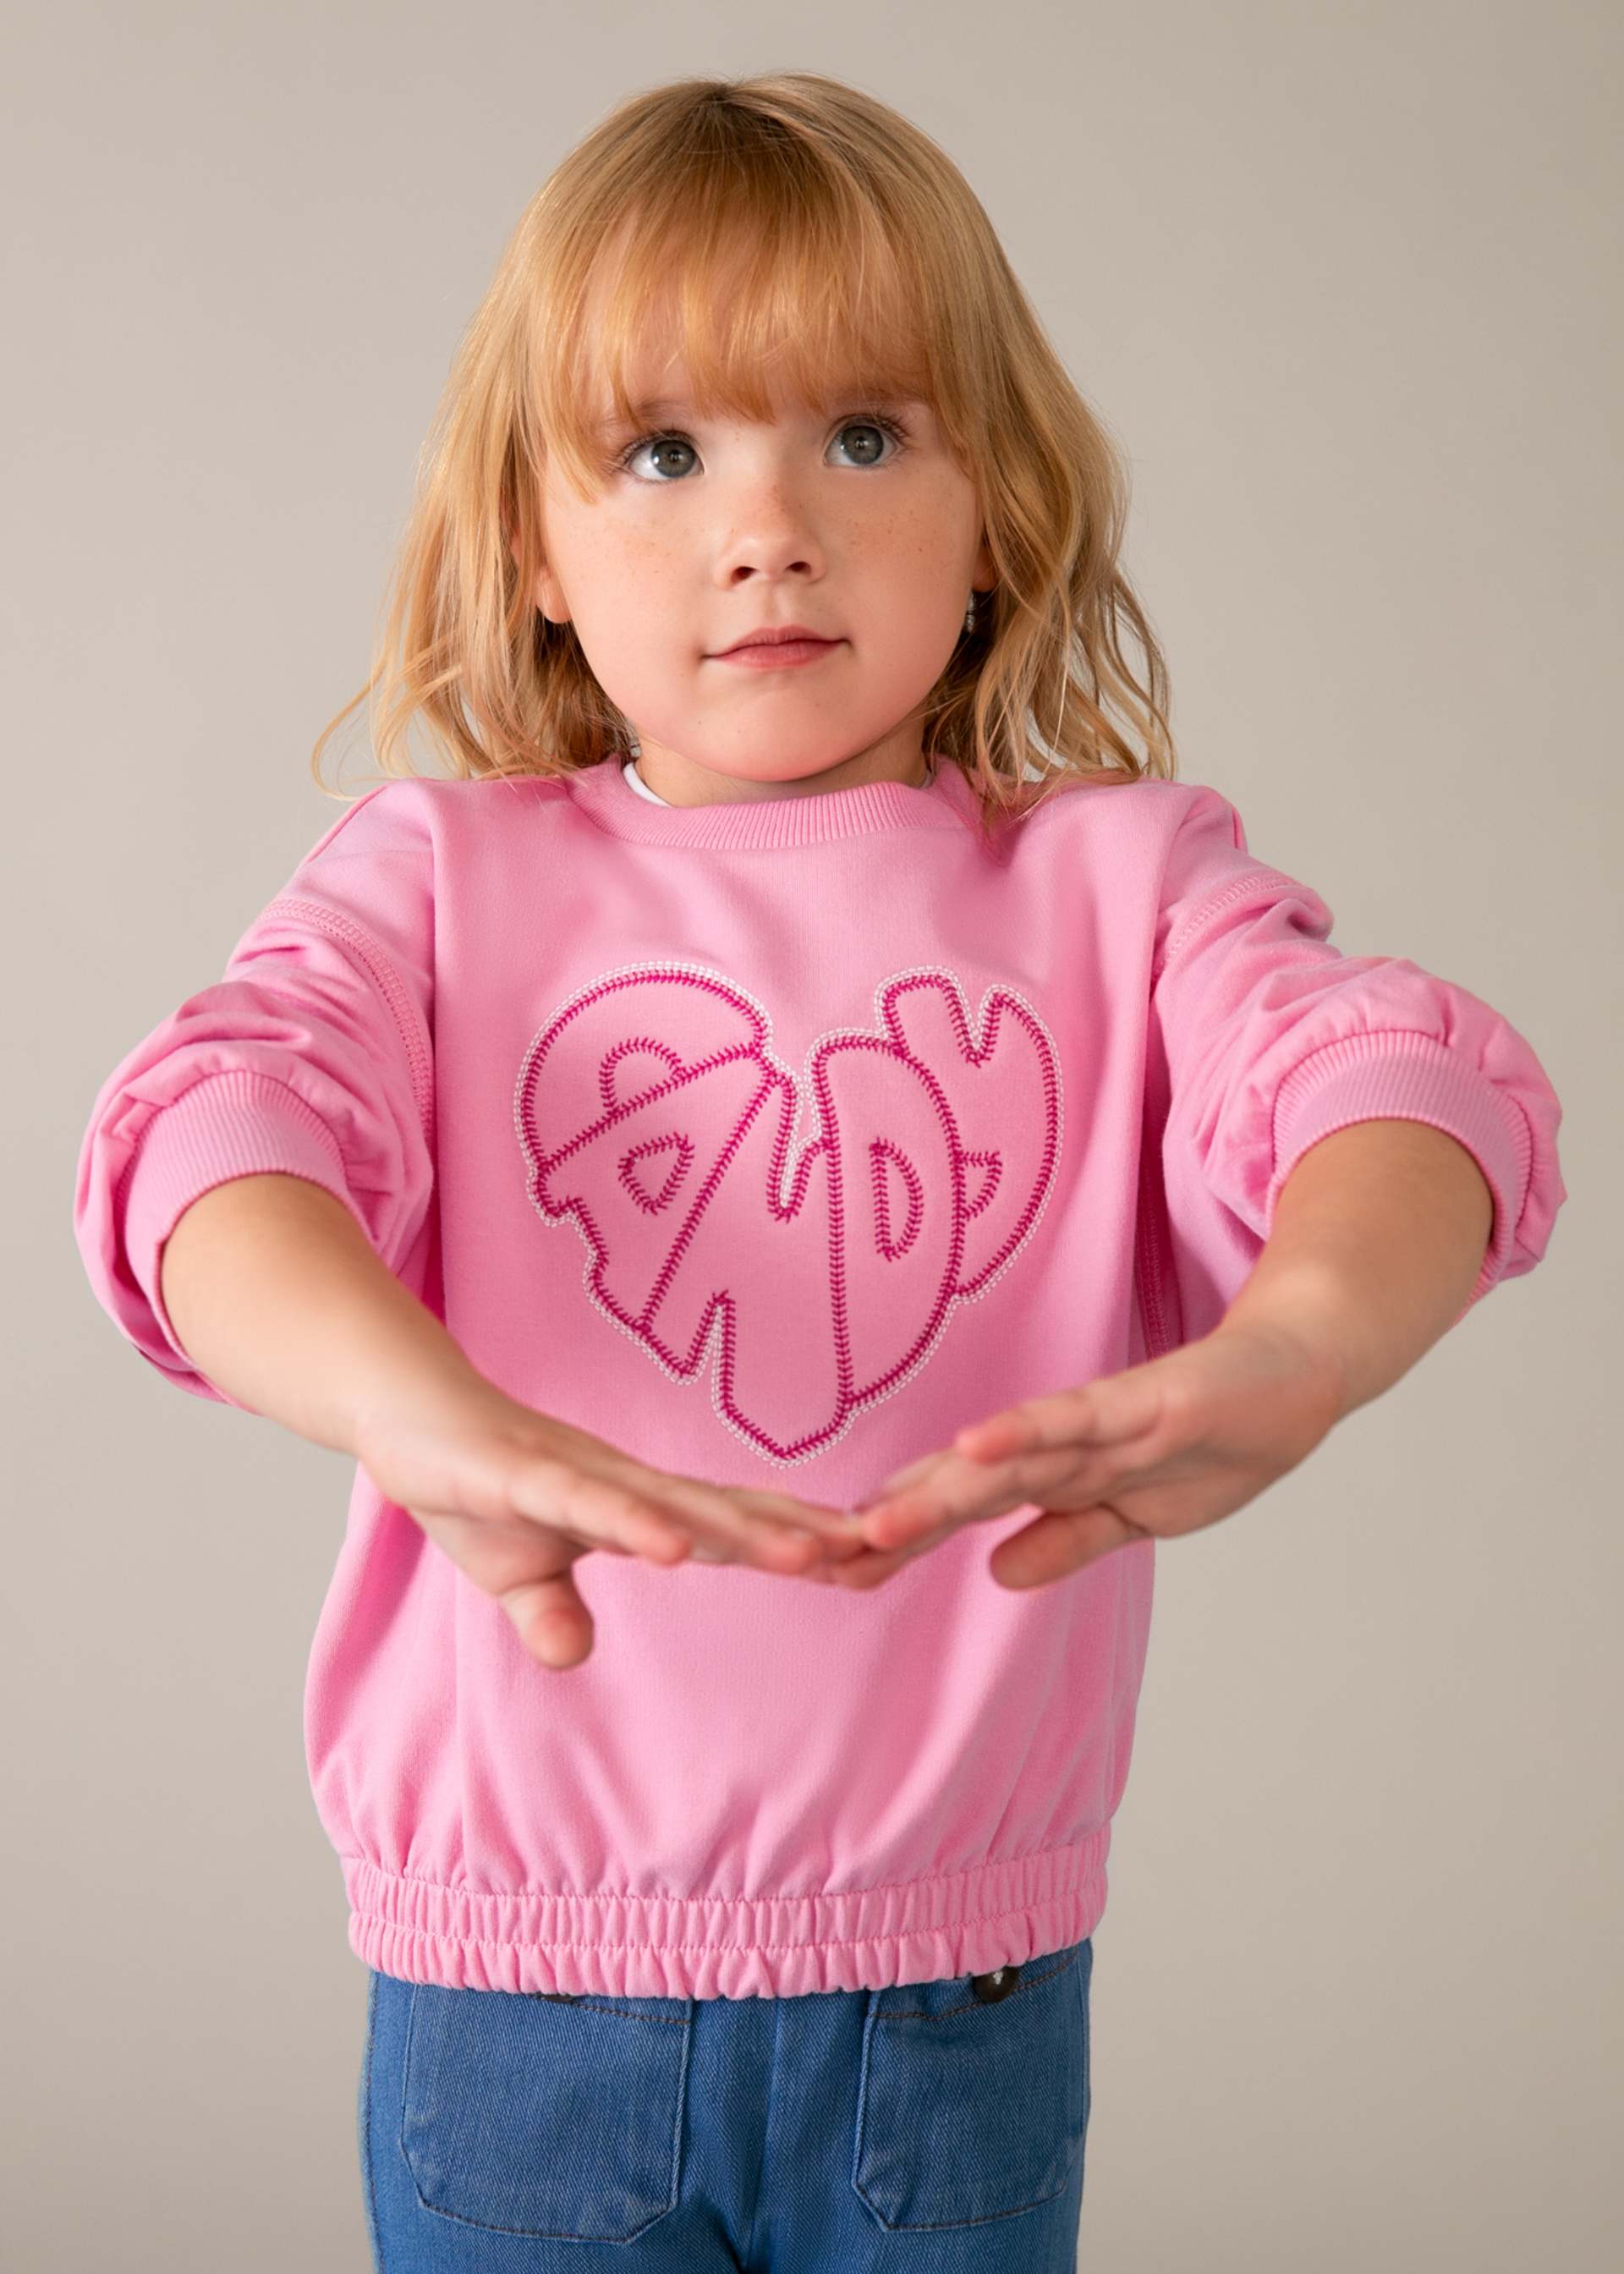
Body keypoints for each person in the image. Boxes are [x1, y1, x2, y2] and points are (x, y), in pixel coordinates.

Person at [72, 69, 1566, 2274]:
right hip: (516, 2013)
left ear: (999, 510)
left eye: (862, 435)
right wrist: (407, 1405)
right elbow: (216, 1131)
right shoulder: (438, 886)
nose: (767, 528)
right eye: (664, 453)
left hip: (953, 2020)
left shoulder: (1122, 889)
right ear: (530, 548)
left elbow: (1397, 1088)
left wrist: (1313, 1336)